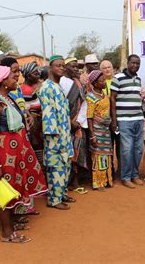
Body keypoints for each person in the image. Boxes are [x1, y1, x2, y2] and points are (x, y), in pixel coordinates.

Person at [0, 64, 47, 243]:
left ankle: (12, 223)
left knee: (13, 188)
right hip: (3, 154)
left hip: (14, 153)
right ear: (2, 81)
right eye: (12, 76)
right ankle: (7, 233)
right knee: (4, 192)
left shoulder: (7, 98)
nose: (16, 78)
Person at [39, 56, 76, 209]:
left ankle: (61, 193)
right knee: (56, 166)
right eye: (58, 66)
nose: (61, 68)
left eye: (63, 66)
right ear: (50, 68)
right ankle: (54, 199)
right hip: (55, 136)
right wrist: (56, 137)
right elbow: (48, 115)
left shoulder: (58, 86)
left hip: (64, 133)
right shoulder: (47, 87)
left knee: (65, 165)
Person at [110, 54, 144, 189]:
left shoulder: (138, 79)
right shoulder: (117, 78)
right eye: (133, 63)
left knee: (138, 150)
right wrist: (114, 120)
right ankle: (125, 177)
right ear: (128, 63)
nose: (135, 65)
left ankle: (135, 175)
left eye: (138, 63)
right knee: (126, 150)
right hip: (124, 120)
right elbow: (112, 99)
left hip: (138, 119)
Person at [59, 57, 88, 193]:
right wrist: (68, 121)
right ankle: (64, 182)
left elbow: (84, 103)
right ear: (65, 67)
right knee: (65, 154)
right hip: (64, 124)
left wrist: (78, 121)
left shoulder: (78, 83)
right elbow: (60, 105)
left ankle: (75, 180)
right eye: (73, 66)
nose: (76, 69)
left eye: (78, 67)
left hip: (77, 123)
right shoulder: (60, 82)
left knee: (77, 151)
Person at [86, 70, 114, 190]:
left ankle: (107, 180)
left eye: (104, 80)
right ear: (95, 83)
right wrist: (92, 134)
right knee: (98, 156)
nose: (104, 82)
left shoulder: (105, 95)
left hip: (106, 131)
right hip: (97, 131)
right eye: (102, 81)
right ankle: (98, 182)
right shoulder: (90, 97)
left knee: (106, 156)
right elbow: (89, 117)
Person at [100, 59, 121, 177]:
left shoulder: (117, 81)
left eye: (109, 67)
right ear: (101, 70)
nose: (107, 69)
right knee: (108, 147)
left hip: (118, 119)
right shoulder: (99, 83)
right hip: (104, 122)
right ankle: (110, 170)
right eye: (104, 68)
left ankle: (121, 170)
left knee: (120, 146)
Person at [20, 62, 44, 165]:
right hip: (34, 126)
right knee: (36, 150)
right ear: (28, 76)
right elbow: (27, 110)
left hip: (36, 125)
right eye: (35, 73)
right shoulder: (26, 90)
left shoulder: (28, 89)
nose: (38, 75)